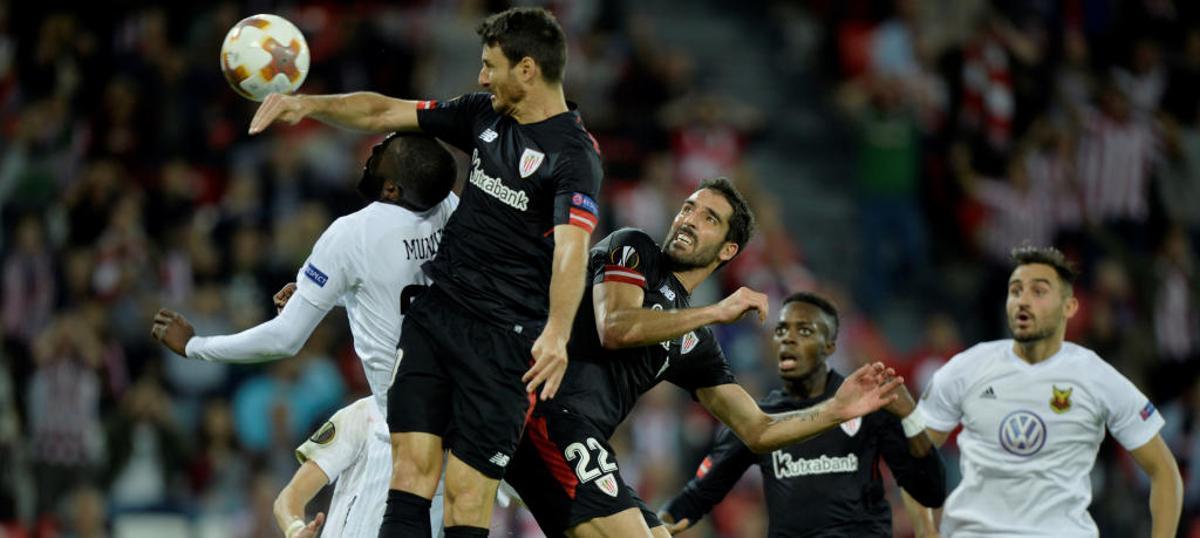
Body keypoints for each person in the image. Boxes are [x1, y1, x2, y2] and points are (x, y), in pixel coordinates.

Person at [248, 8, 603, 537]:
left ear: (527, 69)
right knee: (409, 473)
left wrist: (556, 331)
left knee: (465, 500)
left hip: (504, 344)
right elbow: (382, 112)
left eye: (491, 66)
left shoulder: (575, 156)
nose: (482, 77)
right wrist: (308, 106)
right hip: (436, 320)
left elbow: (573, 248)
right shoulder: (483, 115)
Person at [504, 178, 906, 537]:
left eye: (709, 217)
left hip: (581, 436)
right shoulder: (634, 248)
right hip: (548, 413)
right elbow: (615, 327)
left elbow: (758, 431)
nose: (690, 219)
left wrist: (836, 410)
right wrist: (716, 312)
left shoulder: (693, 344)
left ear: (728, 249)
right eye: (688, 208)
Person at [151, 132, 459, 536]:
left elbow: (285, 339)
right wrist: (328, 295)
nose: (372, 152)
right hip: (456, 435)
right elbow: (407, 289)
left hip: (395, 442)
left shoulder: (351, 233)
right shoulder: (449, 207)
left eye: (382, 152)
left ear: (391, 186)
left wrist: (195, 345)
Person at [914, 246, 1183, 537]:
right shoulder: (967, 368)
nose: (1023, 301)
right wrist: (925, 530)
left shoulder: (1096, 376)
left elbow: (1164, 472)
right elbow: (914, 453)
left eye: (1038, 292)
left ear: (1069, 307)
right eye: (1015, 291)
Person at [659, 291, 946, 537]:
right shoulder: (760, 419)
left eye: (804, 331)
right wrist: (658, 524)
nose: (788, 339)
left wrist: (911, 417)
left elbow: (930, 490)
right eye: (781, 330)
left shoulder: (866, 403)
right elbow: (698, 495)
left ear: (830, 345)